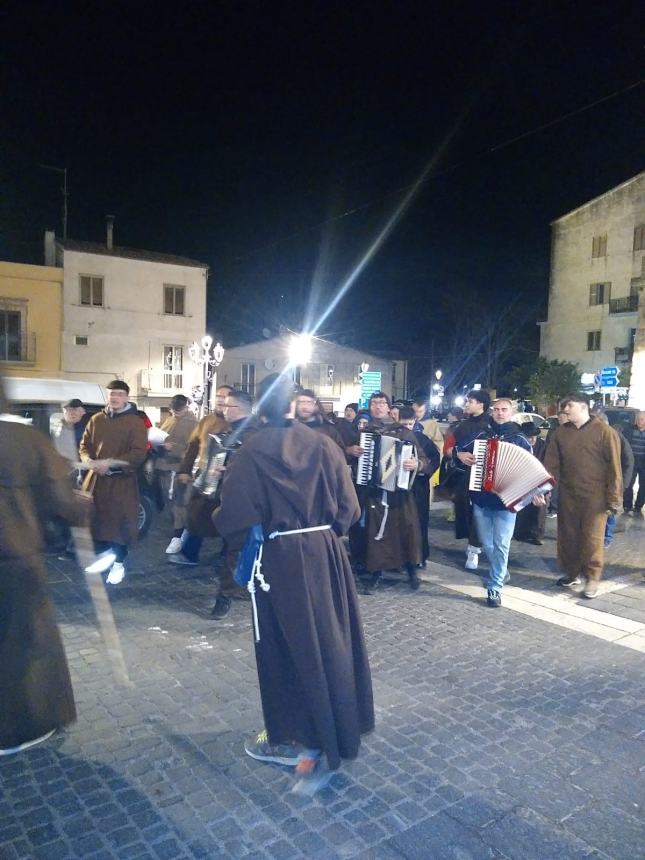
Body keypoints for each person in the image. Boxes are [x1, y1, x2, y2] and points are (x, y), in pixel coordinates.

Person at [213, 373, 374, 774]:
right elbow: (349, 509)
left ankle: (296, 736)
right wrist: (327, 535)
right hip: (324, 554)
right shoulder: (324, 444)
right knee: (332, 640)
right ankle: (341, 724)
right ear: (293, 404)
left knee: (287, 646)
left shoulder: (250, 451)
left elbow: (234, 516)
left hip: (280, 557)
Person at [0, 378, 85, 754]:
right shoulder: (24, 439)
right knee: (24, 642)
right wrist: (81, 508)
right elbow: (60, 499)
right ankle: (19, 727)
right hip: (14, 559)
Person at [541, 394, 622, 599]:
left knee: (592, 539)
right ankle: (571, 573)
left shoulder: (605, 432)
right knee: (567, 536)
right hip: (568, 494)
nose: (565, 410)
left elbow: (615, 468)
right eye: (563, 407)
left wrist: (614, 499)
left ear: (584, 407)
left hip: (596, 497)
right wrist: (543, 489)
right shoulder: (561, 433)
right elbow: (551, 465)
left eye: (569, 406)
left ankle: (592, 578)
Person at [455, 398, 531, 607]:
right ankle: (502, 570)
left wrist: (535, 490)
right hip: (482, 497)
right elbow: (458, 450)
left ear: (512, 412)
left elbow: (531, 469)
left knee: (501, 544)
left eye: (504, 410)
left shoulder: (520, 439)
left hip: (507, 500)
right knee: (487, 543)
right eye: (496, 409)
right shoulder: (481, 435)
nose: (499, 413)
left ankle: (495, 587)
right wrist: (461, 455)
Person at [349, 391, 427, 593]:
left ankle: (411, 571)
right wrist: (352, 451)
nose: (377, 406)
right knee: (376, 533)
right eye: (374, 403)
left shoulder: (403, 432)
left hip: (399, 494)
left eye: (381, 403)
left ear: (389, 407)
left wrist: (415, 464)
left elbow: (424, 460)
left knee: (406, 531)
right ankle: (376, 573)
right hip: (375, 492)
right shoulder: (365, 432)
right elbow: (351, 455)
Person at [79, 380, 148, 584]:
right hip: (95, 482)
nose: (114, 398)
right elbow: (84, 446)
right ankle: (102, 560)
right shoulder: (96, 419)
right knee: (96, 522)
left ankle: (119, 562)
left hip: (120, 482)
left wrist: (111, 464)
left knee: (119, 525)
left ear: (126, 396)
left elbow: (138, 453)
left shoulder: (135, 422)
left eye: (119, 394)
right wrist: (89, 461)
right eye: (111, 394)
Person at [210, 389, 261, 619]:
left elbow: (255, 470)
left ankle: (227, 595)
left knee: (236, 550)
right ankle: (234, 590)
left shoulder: (253, 435)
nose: (223, 410)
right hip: (233, 499)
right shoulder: (232, 431)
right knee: (233, 549)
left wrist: (227, 470)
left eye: (227, 406)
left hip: (248, 502)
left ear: (238, 409)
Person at [169, 385, 233, 566]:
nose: (221, 399)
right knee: (195, 514)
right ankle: (190, 553)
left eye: (225, 396)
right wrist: (184, 470)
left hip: (227, 480)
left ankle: (227, 553)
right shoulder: (207, 420)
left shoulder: (237, 422)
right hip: (204, 477)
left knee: (228, 516)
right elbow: (193, 447)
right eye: (218, 396)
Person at [451, 390, 492, 570]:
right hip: (464, 474)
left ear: (481, 404)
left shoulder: (491, 425)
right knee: (463, 508)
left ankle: (474, 548)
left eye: (471, 401)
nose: (466, 404)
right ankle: (472, 543)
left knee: (479, 511)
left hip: (485, 475)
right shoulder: (462, 426)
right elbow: (452, 449)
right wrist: (458, 454)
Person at [155, 394, 197, 554]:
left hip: (180, 468)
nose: (175, 413)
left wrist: (175, 449)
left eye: (178, 410)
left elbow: (194, 447)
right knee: (170, 501)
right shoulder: (170, 419)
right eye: (173, 410)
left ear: (186, 406)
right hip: (165, 467)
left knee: (181, 503)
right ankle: (177, 531)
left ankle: (179, 535)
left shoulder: (193, 423)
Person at [398, 406, 441, 564]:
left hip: (418, 486)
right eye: (403, 424)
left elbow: (435, 459)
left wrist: (421, 467)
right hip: (398, 488)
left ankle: (420, 556)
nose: (407, 428)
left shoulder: (422, 439)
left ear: (414, 422)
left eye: (409, 424)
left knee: (420, 521)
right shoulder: (393, 437)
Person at [593, 413, 634, 547]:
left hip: (614, 481)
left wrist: (625, 484)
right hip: (597, 481)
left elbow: (629, 460)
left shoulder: (618, 438)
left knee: (611, 509)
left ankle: (607, 537)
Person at [513, 422, 547, 545]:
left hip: (540, 479)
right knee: (521, 508)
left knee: (539, 510)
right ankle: (520, 533)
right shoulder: (520, 445)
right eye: (529, 436)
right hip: (523, 479)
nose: (532, 439)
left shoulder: (543, 445)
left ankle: (537, 535)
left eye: (534, 436)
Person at [623, 410, 645, 515]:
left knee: (643, 485)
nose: (639, 421)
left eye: (641, 419)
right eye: (638, 419)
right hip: (631, 462)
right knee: (628, 483)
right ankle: (627, 506)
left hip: (644, 463)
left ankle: (638, 507)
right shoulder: (629, 430)